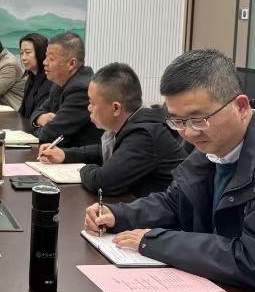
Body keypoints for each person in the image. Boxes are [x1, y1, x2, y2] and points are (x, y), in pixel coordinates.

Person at [84, 49, 255, 292]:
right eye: (177, 121)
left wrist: (155, 241)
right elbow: (176, 202)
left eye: (197, 119)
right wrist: (120, 214)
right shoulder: (215, 141)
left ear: (241, 107)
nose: (188, 133)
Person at [40, 63, 186, 197]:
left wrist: (82, 169)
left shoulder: (144, 134)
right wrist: (65, 154)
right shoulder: (133, 122)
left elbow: (102, 183)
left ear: (116, 108)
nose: (89, 108)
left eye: (92, 103)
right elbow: (102, 152)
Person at [31, 32, 103, 146]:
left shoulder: (81, 90)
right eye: (46, 57)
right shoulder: (58, 83)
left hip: (79, 155)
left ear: (72, 63)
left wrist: (36, 129)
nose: (45, 62)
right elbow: (37, 111)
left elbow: (51, 135)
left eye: (51, 59)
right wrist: (39, 118)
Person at [17, 33, 53, 120]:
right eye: (21, 53)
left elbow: (39, 114)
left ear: (41, 53)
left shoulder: (50, 81)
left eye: (28, 52)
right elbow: (22, 112)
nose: (23, 58)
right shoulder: (31, 79)